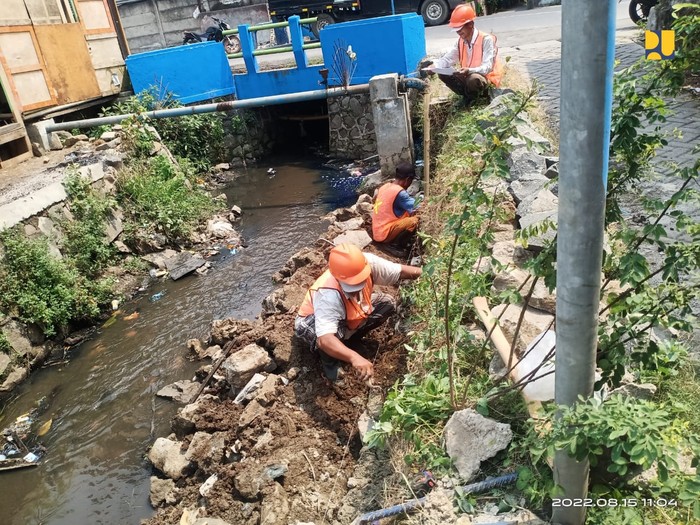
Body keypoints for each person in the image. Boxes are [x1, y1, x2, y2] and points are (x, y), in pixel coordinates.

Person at [294, 243, 422, 381]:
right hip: (311, 321)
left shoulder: (368, 264)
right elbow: (325, 339)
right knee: (332, 336)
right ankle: (330, 364)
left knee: (387, 304)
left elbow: (400, 271)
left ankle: (350, 342)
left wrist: (431, 273)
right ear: (338, 278)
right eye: (351, 287)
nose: (357, 289)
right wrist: (354, 357)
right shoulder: (328, 295)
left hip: (350, 312)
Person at [424, 4, 504, 103]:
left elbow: (487, 67)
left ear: (470, 24)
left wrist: (469, 70)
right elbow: (448, 59)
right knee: (443, 74)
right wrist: (435, 66)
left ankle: (479, 99)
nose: (458, 32)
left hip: (485, 79)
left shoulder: (486, 39)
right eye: (456, 29)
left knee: (473, 80)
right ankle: (468, 97)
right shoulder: (460, 41)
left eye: (460, 28)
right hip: (467, 76)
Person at [371, 161, 420, 246]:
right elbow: (418, 206)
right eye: (411, 180)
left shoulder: (385, 186)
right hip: (384, 234)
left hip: (377, 231)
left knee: (408, 213)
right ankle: (397, 244)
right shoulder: (400, 193)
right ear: (407, 180)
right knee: (415, 220)